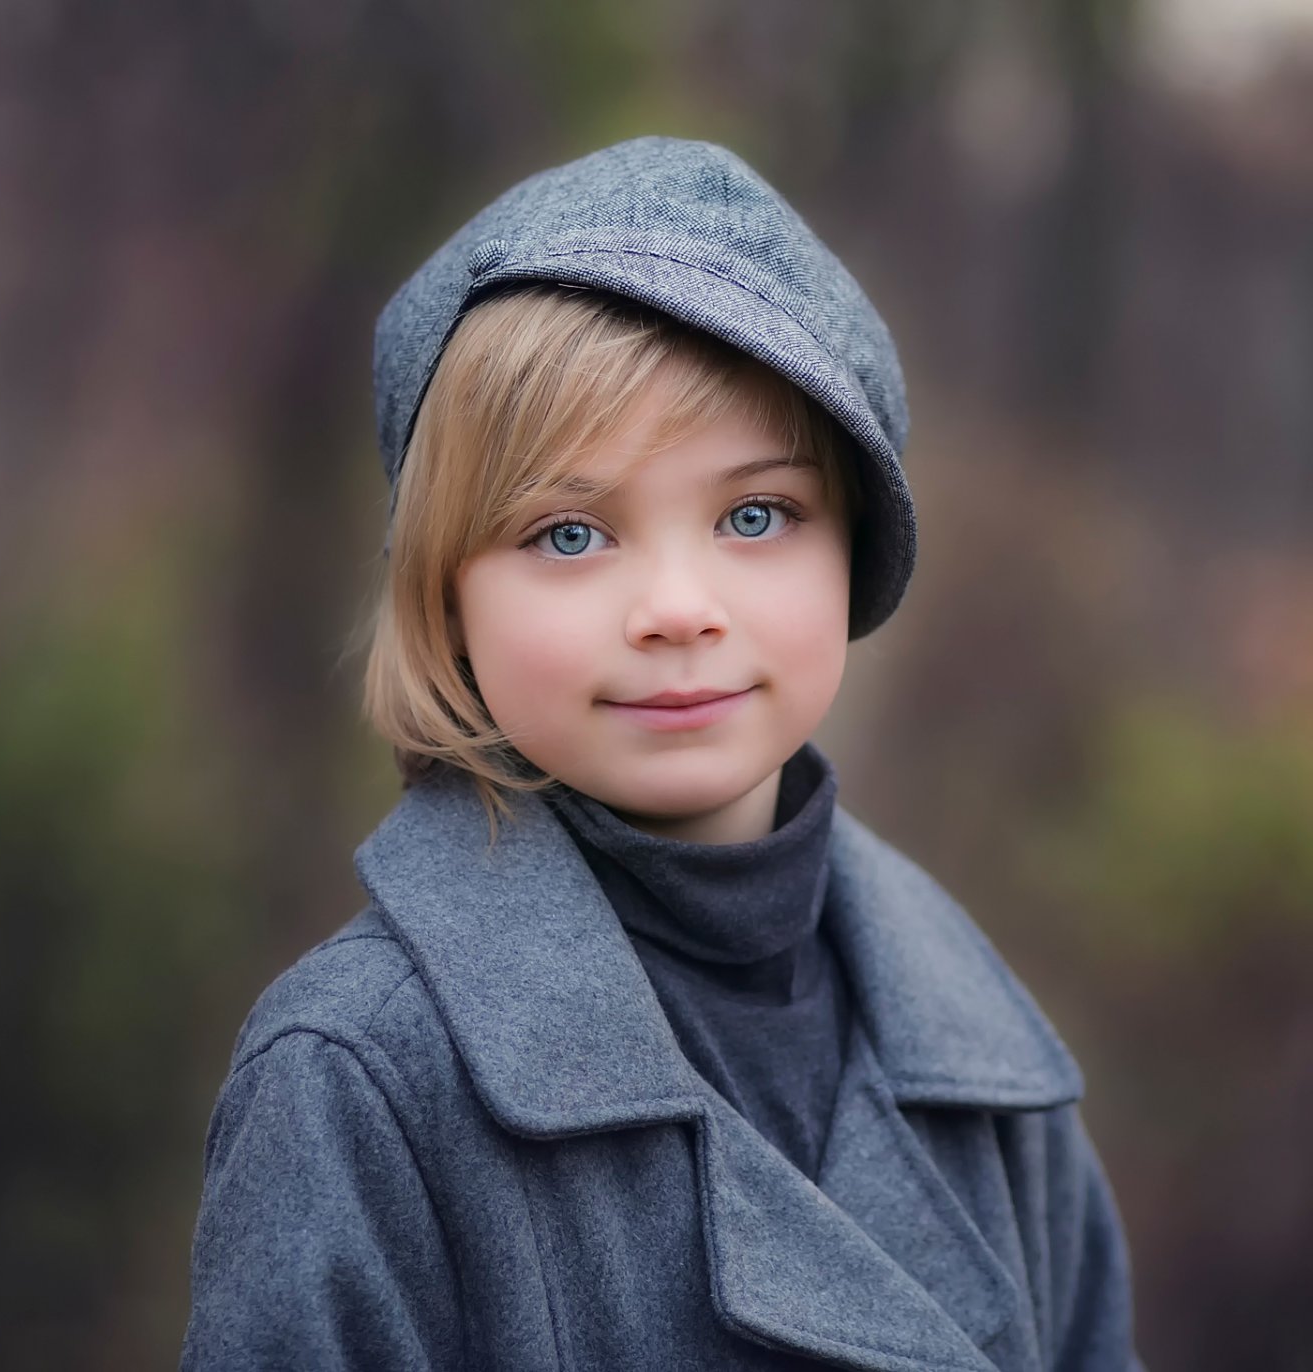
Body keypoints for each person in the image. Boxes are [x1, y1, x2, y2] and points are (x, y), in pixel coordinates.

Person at [180, 137, 1142, 1371]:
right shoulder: (358, 1077)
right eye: (571, 532)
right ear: (445, 594)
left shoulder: (988, 1068)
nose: (677, 608)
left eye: (757, 516)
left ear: (853, 549)